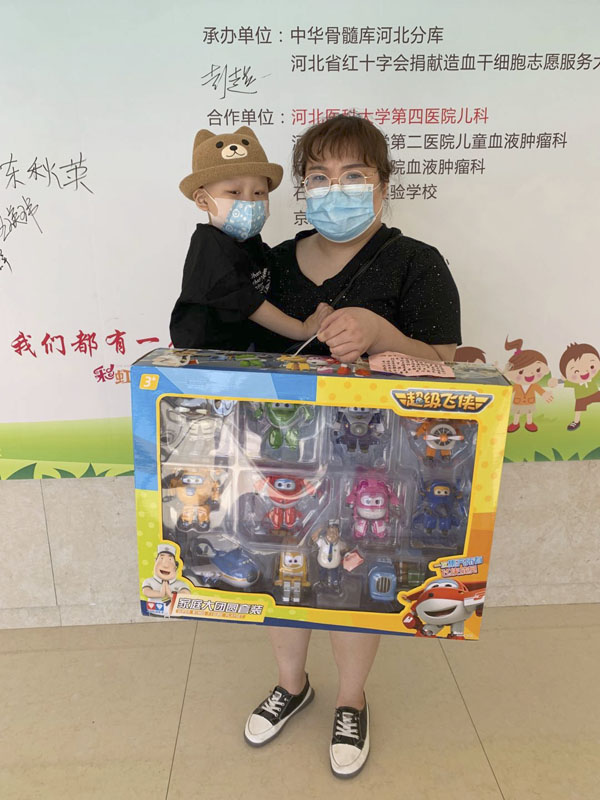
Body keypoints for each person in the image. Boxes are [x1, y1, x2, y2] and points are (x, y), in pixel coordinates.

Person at [245, 115, 461, 779]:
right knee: (282, 573)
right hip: (283, 461)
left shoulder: (417, 262)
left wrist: (380, 332)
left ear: (383, 185)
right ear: (303, 188)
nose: (334, 189)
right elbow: (238, 358)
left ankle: (350, 699)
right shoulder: (270, 265)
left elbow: (447, 368)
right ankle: (291, 686)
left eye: (354, 175)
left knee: (354, 579)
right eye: (320, 176)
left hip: (375, 469)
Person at [170, 125, 331, 350]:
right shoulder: (208, 246)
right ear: (203, 200)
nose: (249, 201)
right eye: (234, 192)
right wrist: (302, 329)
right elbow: (249, 303)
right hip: (205, 355)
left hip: (241, 348)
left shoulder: (250, 242)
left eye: (259, 193)